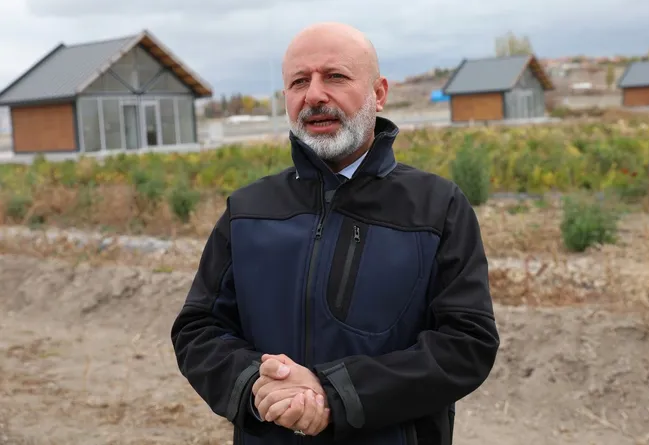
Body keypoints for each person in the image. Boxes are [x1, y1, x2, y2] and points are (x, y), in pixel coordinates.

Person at [171, 22, 500, 444]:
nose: (314, 95)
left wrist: (336, 394)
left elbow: (466, 345)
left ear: (379, 93)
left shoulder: (437, 207)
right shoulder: (247, 211)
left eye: (335, 76)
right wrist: (258, 387)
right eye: (299, 82)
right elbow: (198, 331)